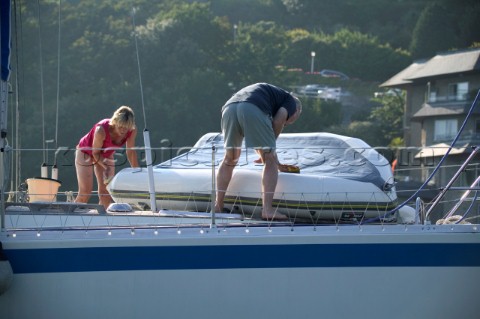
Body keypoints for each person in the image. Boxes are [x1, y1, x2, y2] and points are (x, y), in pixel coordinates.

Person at [215, 83, 302, 221]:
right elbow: (279, 120)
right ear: (296, 111)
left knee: (230, 158)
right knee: (270, 161)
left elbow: (260, 134)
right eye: (291, 121)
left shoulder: (272, 96)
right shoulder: (291, 102)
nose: (288, 123)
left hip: (229, 107)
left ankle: (218, 206)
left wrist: (266, 152)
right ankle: (267, 210)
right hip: (252, 107)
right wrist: (270, 153)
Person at [74, 106, 139, 209]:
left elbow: (130, 152)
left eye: (126, 128)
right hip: (86, 152)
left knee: (106, 192)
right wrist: (106, 168)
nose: (123, 130)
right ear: (115, 122)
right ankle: (72, 215)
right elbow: (95, 153)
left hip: (106, 154)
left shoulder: (132, 130)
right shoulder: (101, 130)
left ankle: (101, 220)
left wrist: (136, 171)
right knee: (85, 192)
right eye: (120, 126)